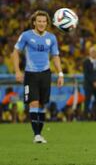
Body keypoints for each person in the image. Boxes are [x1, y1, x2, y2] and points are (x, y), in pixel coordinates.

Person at [12, 10, 64, 143]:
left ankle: (39, 134)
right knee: (33, 103)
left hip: (46, 74)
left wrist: (60, 73)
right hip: (31, 74)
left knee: (42, 105)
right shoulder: (26, 36)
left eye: (44, 21)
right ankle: (36, 135)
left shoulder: (51, 38)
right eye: (39, 21)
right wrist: (17, 71)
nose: (41, 24)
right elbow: (15, 53)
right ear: (34, 22)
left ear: (47, 23)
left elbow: (55, 56)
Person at [83, 46, 96, 121]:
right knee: (87, 101)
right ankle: (85, 117)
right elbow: (86, 74)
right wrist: (93, 82)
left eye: (95, 52)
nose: (94, 53)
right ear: (89, 53)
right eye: (92, 52)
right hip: (88, 85)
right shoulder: (86, 62)